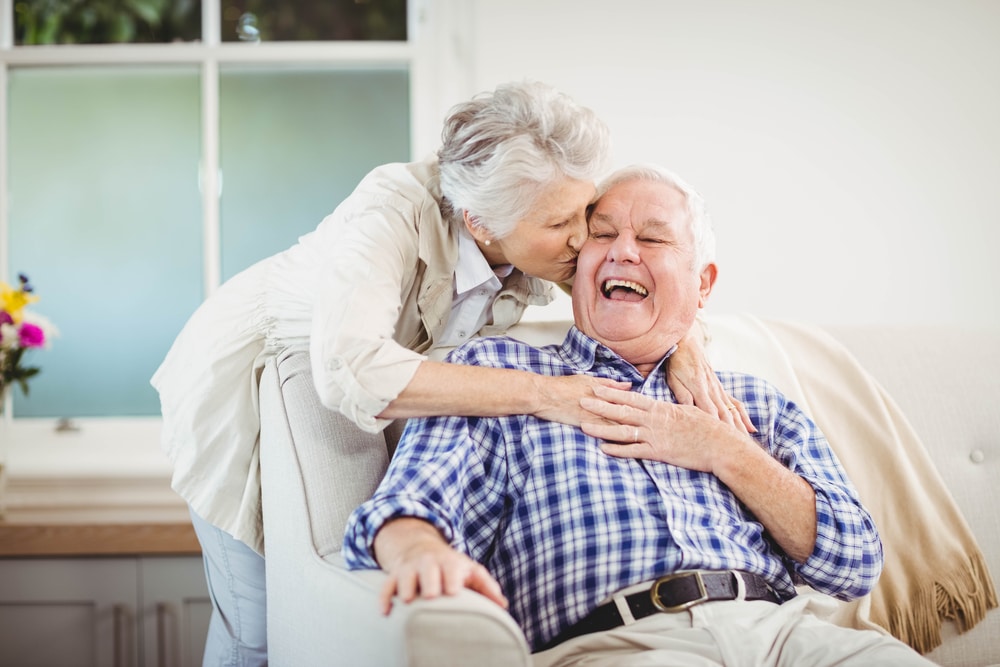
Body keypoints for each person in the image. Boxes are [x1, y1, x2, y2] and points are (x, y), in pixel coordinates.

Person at [151, 83, 745, 666]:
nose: (582, 238)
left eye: (584, 212)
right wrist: (546, 395)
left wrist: (688, 341)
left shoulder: (538, 224)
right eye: (562, 223)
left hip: (383, 391)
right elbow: (349, 369)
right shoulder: (390, 209)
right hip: (251, 380)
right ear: (481, 224)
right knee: (255, 625)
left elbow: (641, 286)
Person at [342, 163, 937, 666]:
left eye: (653, 239)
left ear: (703, 284)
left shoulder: (751, 403)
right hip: (623, 640)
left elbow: (855, 564)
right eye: (601, 235)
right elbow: (405, 508)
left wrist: (723, 450)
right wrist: (420, 553)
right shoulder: (496, 374)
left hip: (785, 637)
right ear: (576, 268)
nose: (624, 250)